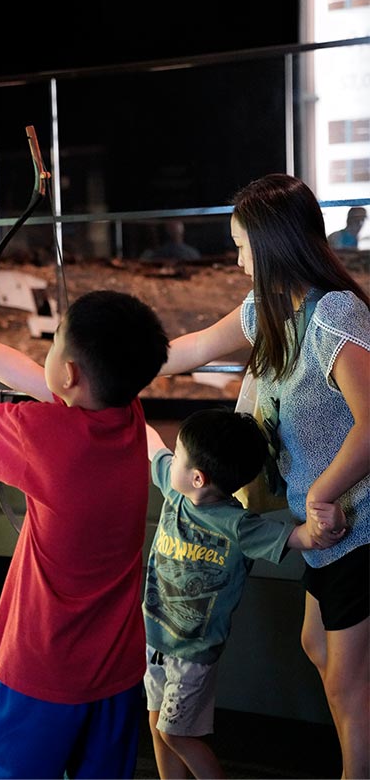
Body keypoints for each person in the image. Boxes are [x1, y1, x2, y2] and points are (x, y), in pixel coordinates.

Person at [0, 290, 169, 780]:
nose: (43, 357)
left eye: (53, 344)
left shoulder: (46, 434)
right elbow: (25, 372)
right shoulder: (128, 415)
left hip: (43, 669)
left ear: (69, 374)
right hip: (117, 670)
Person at [160, 173, 370, 779]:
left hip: (356, 527)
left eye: (242, 243)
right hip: (325, 529)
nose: (238, 257)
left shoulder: (335, 313)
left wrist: (326, 492)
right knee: (318, 648)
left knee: (346, 687)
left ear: (273, 243)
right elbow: (195, 346)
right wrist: (113, 359)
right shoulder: (268, 310)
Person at [143, 409, 345, 780]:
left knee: (176, 733)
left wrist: (324, 526)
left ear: (198, 478)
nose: (171, 456)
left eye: (179, 452)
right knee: (158, 724)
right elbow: (151, 443)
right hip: (156, 638)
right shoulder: (176, 487)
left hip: (194, 653)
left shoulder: (237, 524)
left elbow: (298, 538)